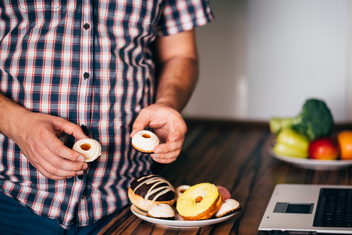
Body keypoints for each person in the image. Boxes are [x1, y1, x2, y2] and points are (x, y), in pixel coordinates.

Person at [0, 0, 213, 234]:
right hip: (11, 198)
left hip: (129, 203)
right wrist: (17, 124)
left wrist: (167, 102)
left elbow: (180, 54)